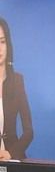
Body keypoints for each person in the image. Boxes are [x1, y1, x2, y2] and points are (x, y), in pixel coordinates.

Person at [0, 17, 33, 160]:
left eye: (2, 42)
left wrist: (10, 153)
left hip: (13, 159)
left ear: (8, 44)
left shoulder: (17, 81)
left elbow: (29, 132)